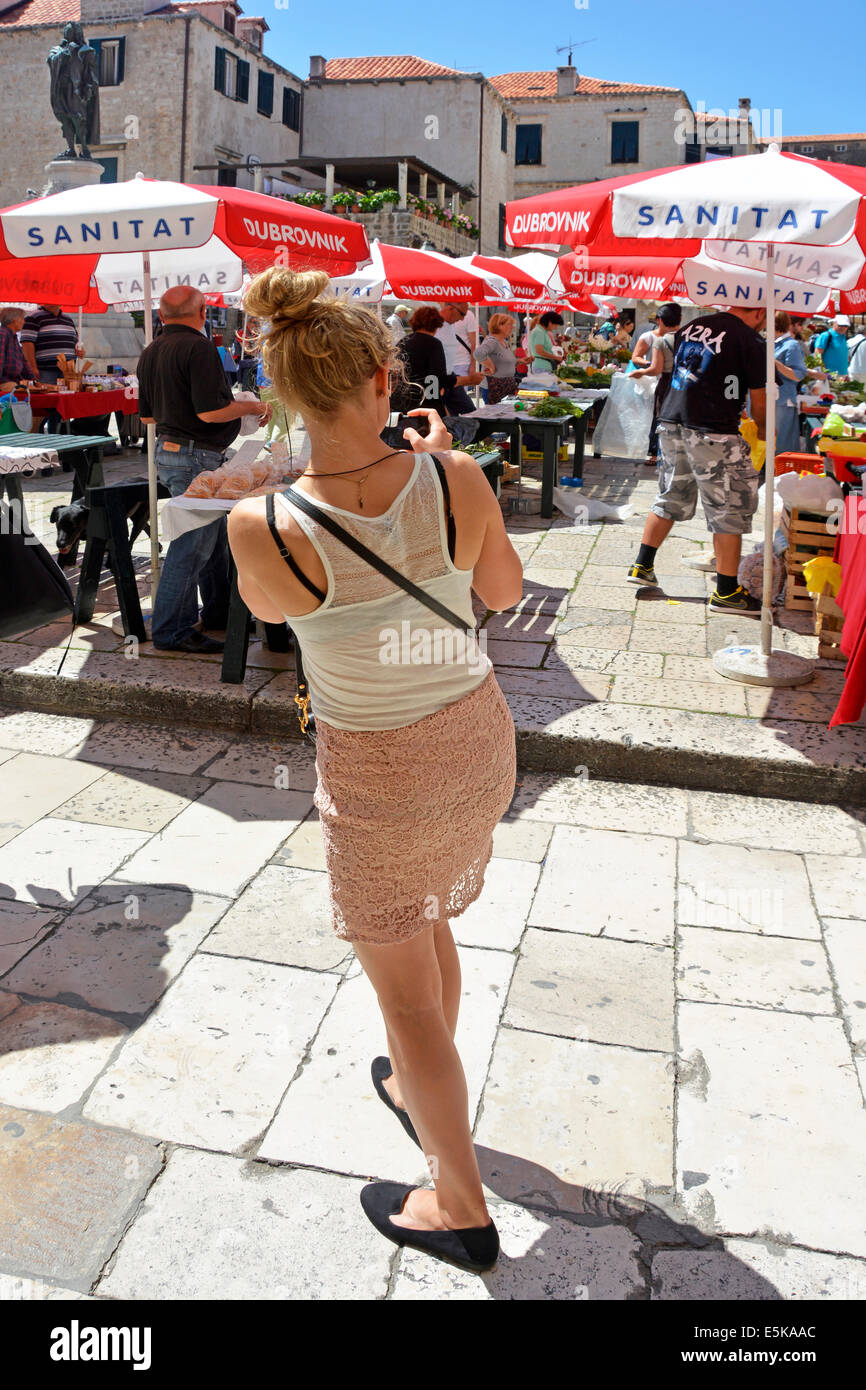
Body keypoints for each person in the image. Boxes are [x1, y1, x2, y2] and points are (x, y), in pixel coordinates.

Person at [227, 266, 521, 1275]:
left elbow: (271, 616)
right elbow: (502, 589)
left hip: (376, 771)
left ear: (284, 393)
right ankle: (413, 1083)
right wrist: (442, 470)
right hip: (474, 738)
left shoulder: (262, 522)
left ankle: (459, 1202)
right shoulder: (458, 477)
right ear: (381, 380)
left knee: (401, 985)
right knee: (427, 914)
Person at [137, 286, 271, 654]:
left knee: (211, 544)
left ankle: (217, 614)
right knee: (192, 546)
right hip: (195, 455)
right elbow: (210, 413)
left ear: (162, 316)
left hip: (170, 451)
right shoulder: (199, 348)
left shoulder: (151, 351)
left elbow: (147, 416)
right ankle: (172, 630)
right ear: (202, 313)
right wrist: (250, 408)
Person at [627, 304, 767, 616]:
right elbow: (760, 403)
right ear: (759, 311)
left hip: (672, 421)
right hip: (713, 430)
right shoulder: (752, 341)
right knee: (730, 503)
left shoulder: (692, 326)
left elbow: (698, 375)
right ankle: (728, 592)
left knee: (671, 494)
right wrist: (768, 432)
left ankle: (642, 564)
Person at [390, 306, 482, 417]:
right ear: (436, 325)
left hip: (403, 401)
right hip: (426, 402)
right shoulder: (434, 343)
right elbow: (439, 378)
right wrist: (469, 380)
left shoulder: (403, 342)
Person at [630, 303, 683, 466]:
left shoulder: (663, 341)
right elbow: (635, 357)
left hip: (663, 382)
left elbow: (656, 369)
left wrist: (645, 370)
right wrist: (648, 364)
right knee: (665, 419)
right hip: (670, 383)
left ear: (659, 319)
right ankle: (662, 452)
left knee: (661, 418)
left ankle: (661, 453)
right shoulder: (649, 337)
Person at [19, 304, 82, 385]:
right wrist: (33, 367)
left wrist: (79, 350)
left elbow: (75, 341)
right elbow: (27, 343)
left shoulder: (68, 319)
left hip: (68, 372)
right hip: (45, 371)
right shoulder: (33, 317)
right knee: (46, 396)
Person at [773, 312, 808, 455]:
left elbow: (798, 375)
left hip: (782, 399)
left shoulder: (791, 345)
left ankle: (781, 472)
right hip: (774, 398)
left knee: (782, 441)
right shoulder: (775, 343)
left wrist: (775, 364)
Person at [436, 304, 479, 414]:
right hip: (441, 379)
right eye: (461, 314)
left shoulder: (450, 325)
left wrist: (473, 365)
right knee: (448, 416)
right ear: (451, 308)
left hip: (453, 372)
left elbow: (474, 343)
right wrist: (468, 379)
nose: (462, 318)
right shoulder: (434, 324)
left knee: (470, 412)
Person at [473, 313, 519, 405]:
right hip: (495, 387)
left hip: (506, 385)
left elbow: (503, 361)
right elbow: (478, 353)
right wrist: (491, 366)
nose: (512, 328)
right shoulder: (492, 341)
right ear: (500, 326)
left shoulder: (504, 342)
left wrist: (520, 361)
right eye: (509, 325)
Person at [0, 307, 35, 391]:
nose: (24, 322)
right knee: (25, 392)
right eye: (22, 319)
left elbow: (23, 361)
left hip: (15, 381)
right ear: (15, 321)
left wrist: (34, 380)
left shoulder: (14, 337)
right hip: (5, 381)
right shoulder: (2, 334)